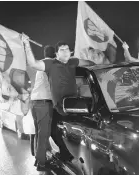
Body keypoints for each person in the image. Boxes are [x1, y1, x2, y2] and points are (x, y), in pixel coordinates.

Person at [21, 34, 96, 169]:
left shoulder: (72, 62)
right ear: (55, 53)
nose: (65, 51)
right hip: (49, 104)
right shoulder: (50, 64)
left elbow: (90, 64)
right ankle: (47, 161)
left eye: (67, 49)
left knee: (45, 132)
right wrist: (26, 44)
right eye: (62, 50)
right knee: (47, 132)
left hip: (56, 104)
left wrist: (94, 59)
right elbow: (33, 63)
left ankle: (43, 158)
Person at [29, 45, 56, 172]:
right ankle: (41, 163)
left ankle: (38, 157)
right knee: (44, 134)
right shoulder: (51, 63)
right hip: (44, 103)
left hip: (34, 103)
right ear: (55, 54)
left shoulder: (41, 66)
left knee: (39, 133)